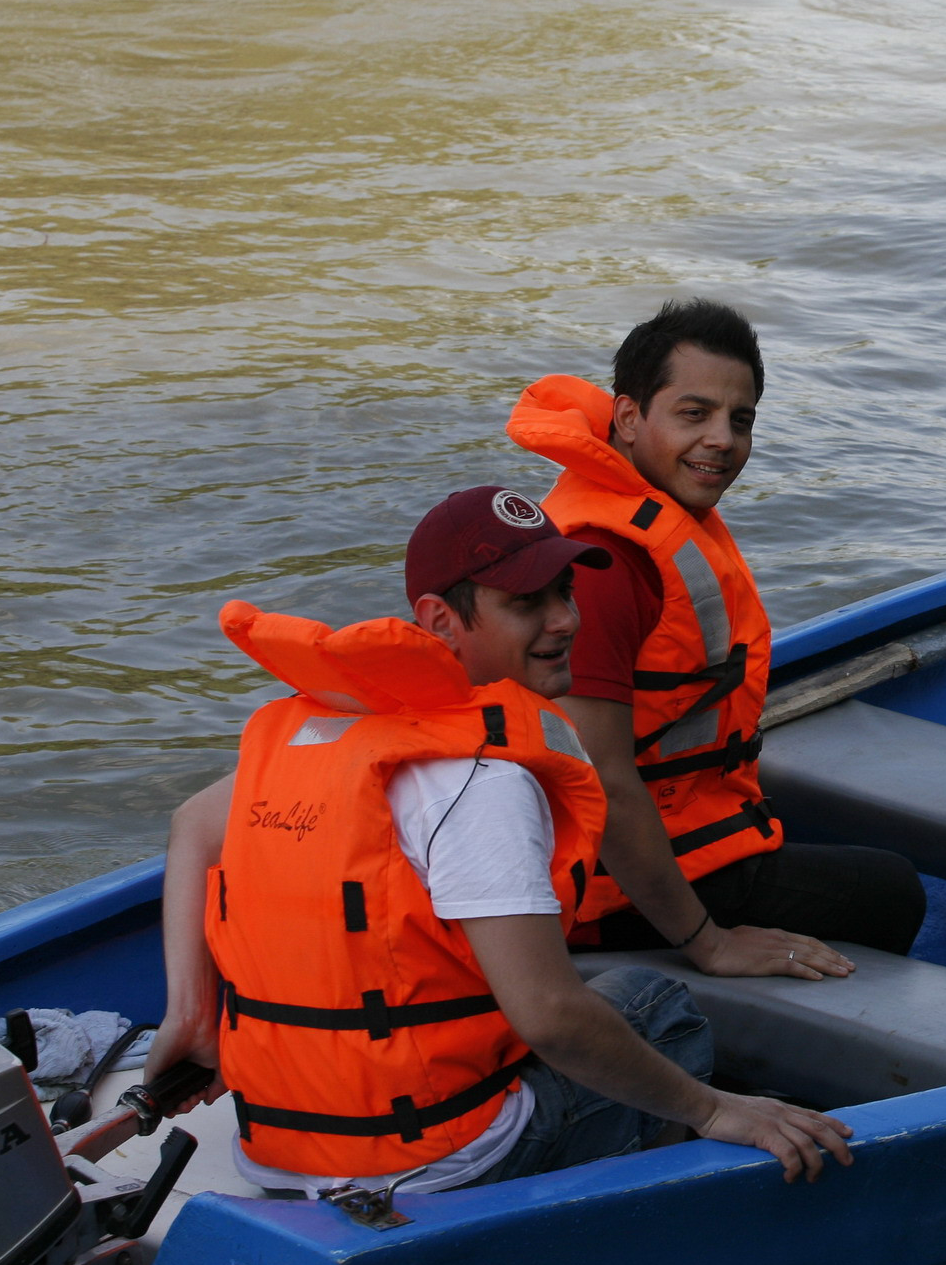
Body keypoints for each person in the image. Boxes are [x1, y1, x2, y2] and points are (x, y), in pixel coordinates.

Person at [140, 487, 852, 1192]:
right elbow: (549, 1017)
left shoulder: (334, 727)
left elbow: (193, 825)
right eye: (526, 603)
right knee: (655, 1006)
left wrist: (193, 1015)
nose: (565, 619)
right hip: (443, 1162)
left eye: (565, 592)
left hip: (277, 1148)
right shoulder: (483, 777)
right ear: (439, 620)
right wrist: (716, 1109)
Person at [506, 299, 926, 967]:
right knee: (893, 891)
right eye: (694, 413)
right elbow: (600, 781)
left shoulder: (645, 512)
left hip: (677, 826)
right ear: (628, 417)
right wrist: (708, 941)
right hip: (604, 893)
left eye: (740, 419)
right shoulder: (604, 565)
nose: (723, 440)